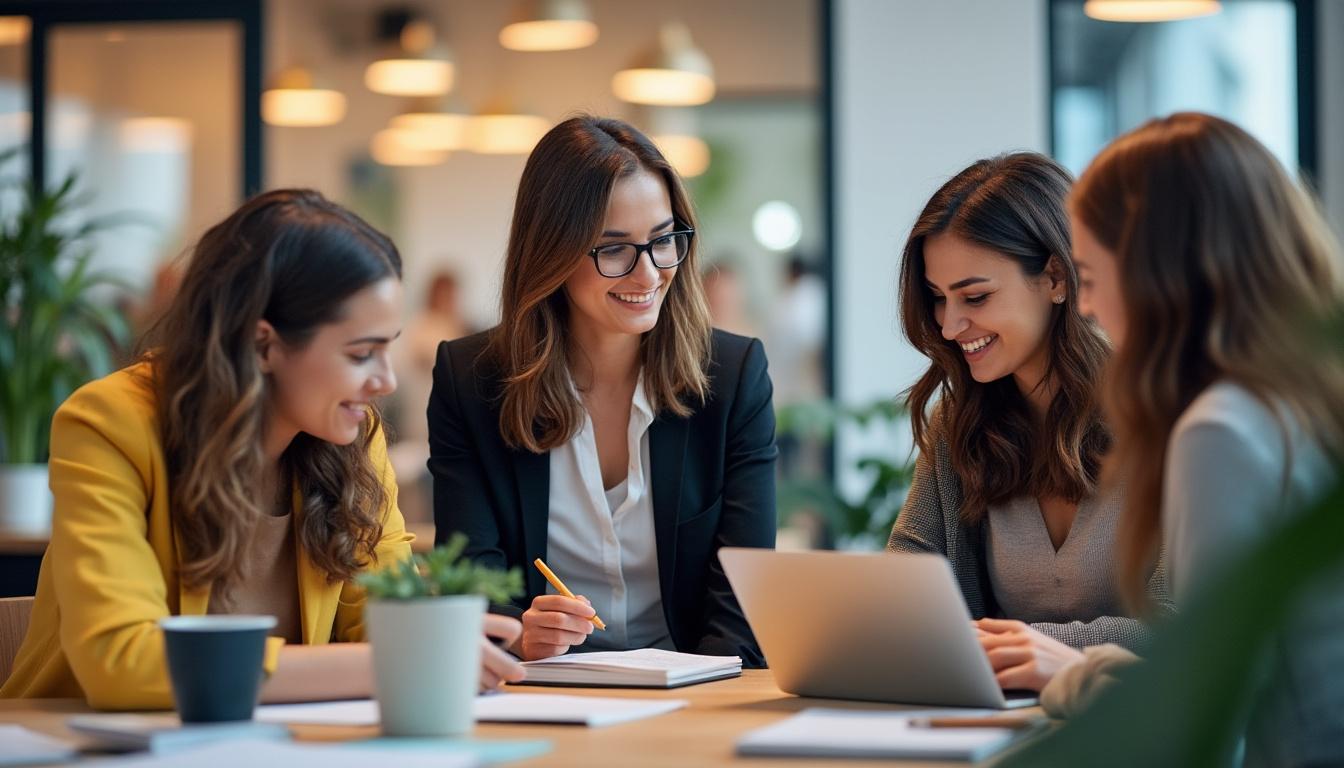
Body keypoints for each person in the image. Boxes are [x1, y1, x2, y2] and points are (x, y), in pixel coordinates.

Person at [0, 189, 524, 709]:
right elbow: (124, 661)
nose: (384, 381)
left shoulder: (353, 440)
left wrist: (437, 639)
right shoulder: (111, 422)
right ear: (264, 344)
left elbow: (382, 621)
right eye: (362, 353)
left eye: (387, 348)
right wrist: (404, 658)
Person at [428, 116, 777, 666]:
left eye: (663, 240)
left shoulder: (732, 375)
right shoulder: (471, 381)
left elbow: (742, 605)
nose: (649, 275)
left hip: (696, 693)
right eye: (613, 250)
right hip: (539, 692)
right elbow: (473, 585)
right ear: (552, 253)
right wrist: (520, 633)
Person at [1054, 112, 1344, 767]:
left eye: (1092, 278)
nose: (1087, 310)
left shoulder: (1220, 429)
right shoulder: (1304, 402)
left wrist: (1068, 677)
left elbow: (1204, 725)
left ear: (1158, 273)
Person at [887, 152, 1171, 693]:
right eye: (937, 299)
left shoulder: (1170, 418)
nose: (949, 326)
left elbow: (1189, 627)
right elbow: (909, 592)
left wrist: (1041, 650)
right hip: (1002, 731)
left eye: (975, 296)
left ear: (1057, 278)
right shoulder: (960, 425)